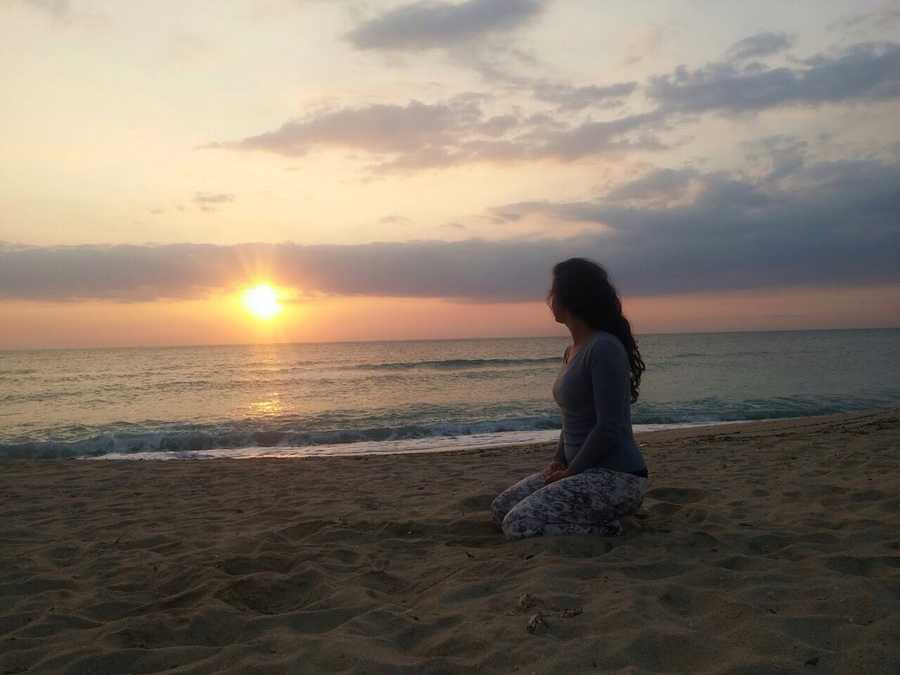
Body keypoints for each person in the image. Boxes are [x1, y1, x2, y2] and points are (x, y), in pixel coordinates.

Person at [491, 258, 649, 539]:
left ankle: (609, 527)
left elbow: (609, 426)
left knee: (518, 524)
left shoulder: (603, 348)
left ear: (570, 297)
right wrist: (558, 461)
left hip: (617, 476)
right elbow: (572, 417)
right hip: (577, 470)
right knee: (501, 509)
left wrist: (572, 472)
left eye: (552, 291)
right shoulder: (572, 350)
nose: (548, 299)